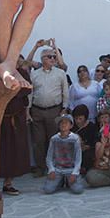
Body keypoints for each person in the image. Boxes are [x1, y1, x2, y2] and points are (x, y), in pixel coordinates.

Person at [28, 46, 68, 176]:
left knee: (54, 139)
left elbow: (65, 91)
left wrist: (64, 108)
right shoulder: (34, 74)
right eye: (49, 57)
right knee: (38, 141)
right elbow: (30, 93)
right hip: (37, 110)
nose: (52, 59)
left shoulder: (60, 73)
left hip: (54, 111)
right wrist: (27, 111)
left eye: (54, 57)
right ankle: (40, 167)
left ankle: (54, 167)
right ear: (42, 59)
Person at [0, 59, 32, 196]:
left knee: (13, 150)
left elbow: (25, 89)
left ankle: (8, 183)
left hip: (16, 119)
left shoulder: (22, 74)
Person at [43, 113, 85, 194]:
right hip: (58, 169)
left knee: (78, 189)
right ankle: (60, 181)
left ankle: (70, 180)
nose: (63, 124)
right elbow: (49, 157)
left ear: (71, 126)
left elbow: (78, 158)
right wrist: (51, 170)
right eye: (61, 122)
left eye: (66, 122)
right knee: (48, 189)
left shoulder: (75, 138)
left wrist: (75, 172)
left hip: (71, 169)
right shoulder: (54, 139)